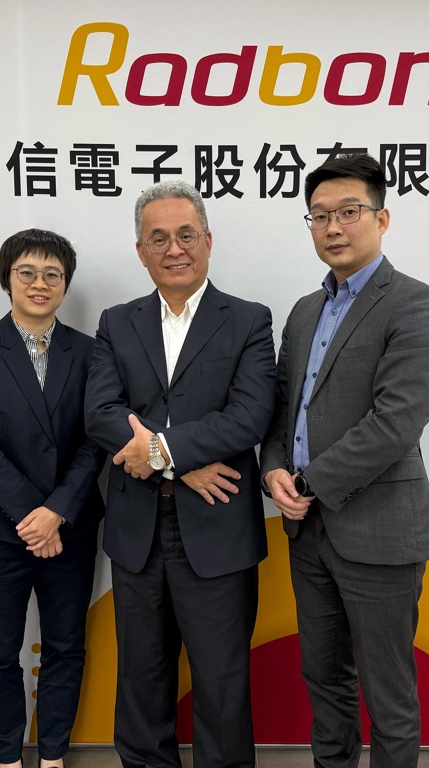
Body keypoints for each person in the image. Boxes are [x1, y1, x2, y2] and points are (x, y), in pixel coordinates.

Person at [260, 154, 429, 768]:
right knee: (324, 678)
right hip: (307, 529)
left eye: (349, 212)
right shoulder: (304, 311)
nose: (333, 227)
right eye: (320, 216)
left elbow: (397, 422)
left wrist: (308, 481)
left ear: (382, 218)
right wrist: (273, 469)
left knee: (387, 692)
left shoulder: (416, 304)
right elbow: (283, 408)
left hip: (380, 528)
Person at [84, 180, 276, 768]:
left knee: (221, 680)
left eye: (186, 235)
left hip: (218, 528)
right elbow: (101, 412)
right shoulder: (117, 322)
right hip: (137, 530)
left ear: (208, 241)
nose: (174, 249)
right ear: (140, 251)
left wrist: (163, 452)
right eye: (159, 238)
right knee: (141, 677)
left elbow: (250, 416)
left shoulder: (248, 320)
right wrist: (177, 464)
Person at [0, 229, 105, 768]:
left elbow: (94, 440)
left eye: (52, 274)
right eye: (27, 273)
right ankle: (7, 758)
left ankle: (53, 756)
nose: (40, 283)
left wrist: (56, 512)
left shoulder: (90, 352)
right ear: (7, 279)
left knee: (65, 646)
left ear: (65, 283)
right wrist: (31, 517)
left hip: (70, 525)